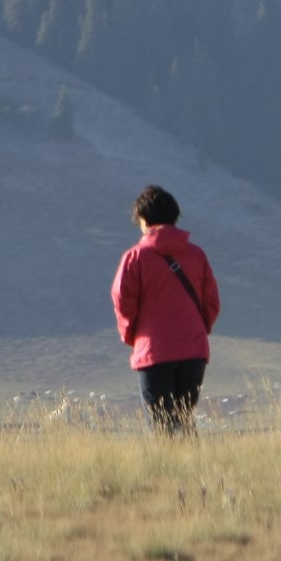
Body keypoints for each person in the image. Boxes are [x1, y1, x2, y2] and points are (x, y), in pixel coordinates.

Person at [110, 184, 219, 434]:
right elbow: (211, 302)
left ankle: (168, 470)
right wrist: (198, 330)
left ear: (144, 220)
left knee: (162, 423)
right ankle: (193, 469)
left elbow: (123, 300)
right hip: (194, 350)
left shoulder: (135, 258)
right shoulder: (197, 255)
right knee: (184, 419)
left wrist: (132, 336)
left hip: (154, 351)